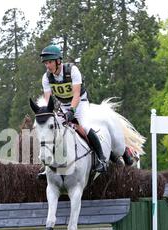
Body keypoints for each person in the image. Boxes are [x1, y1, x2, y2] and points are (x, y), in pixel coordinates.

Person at [37, 45, 135, 179]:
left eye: (49, 62)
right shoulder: (46, 78)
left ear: (58, 61)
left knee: (85, 127)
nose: (47, 66)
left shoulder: (72, 70)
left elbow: (76, 95)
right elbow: (49, 102)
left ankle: (101, 159)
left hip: (80, 103)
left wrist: (72, 110)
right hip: (63, 106)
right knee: (53, 131)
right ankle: (48, 167)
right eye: (46, 63)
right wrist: (49, 114)